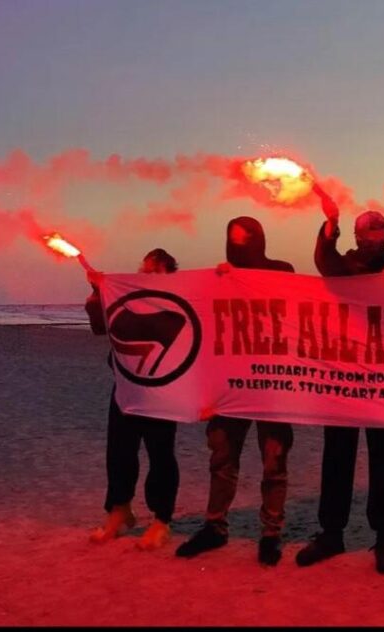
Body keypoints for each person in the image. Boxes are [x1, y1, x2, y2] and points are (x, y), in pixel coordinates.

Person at [295, 184, 384, 574]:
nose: (374, 236)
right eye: (367, 230)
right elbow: (325, 259)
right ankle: (332, 533)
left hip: (382, 380)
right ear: (356, 236)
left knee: (383, 458)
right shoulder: (341, 269)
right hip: (341, 376)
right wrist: (330, 223)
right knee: (337, 456)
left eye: (379, 229)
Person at [175, 216, 296, 566]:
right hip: (230, 382)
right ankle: (215, 526)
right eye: (234, 238)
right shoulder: (220, 278)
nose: (240, 244)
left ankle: (271, 533)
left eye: (246, 238)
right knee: (222, 458)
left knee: (274, 460)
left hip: (272, 382)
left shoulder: (282, 271)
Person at [86, 248, 181, 550]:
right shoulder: (130, 299)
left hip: (163, 392)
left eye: (154, 270)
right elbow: (101, 327)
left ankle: (161, 519)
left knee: (161, 455)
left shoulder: (179, 302)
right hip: (127, 388)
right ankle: (119, 510)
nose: (146, 274)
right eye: (144, 269)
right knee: (119, 452)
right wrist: (98, 294)